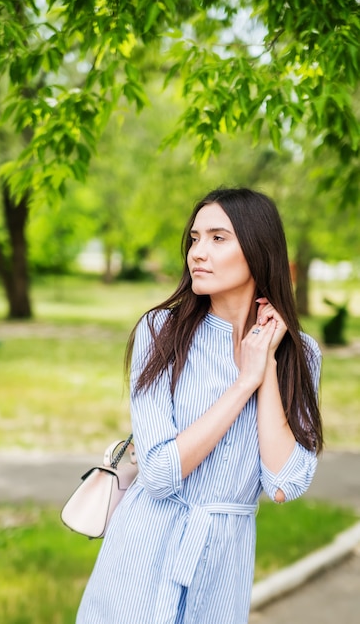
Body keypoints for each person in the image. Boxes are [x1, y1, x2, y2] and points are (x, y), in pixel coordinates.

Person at [76, 187, 323, 624]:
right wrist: (244, 382)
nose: (198, 253)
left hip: (223, 566)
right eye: (194, 239)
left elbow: (285, 483)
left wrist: (264, 362)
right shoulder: (161, 332)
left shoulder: (299, 354)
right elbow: (159, 473)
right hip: (142, 553)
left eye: (217, 238)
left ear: (258, 250)